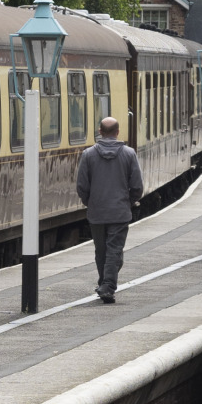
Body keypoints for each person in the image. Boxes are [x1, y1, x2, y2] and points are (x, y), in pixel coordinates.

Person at [76, 115, 143, 302]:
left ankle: (105, 284)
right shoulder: (129, 154)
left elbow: (82, 185)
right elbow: (137, 186)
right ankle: (107, 286)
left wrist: (91, 202)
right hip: (120, 211)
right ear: (118, 132)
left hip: (97, 212)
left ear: (100, 132)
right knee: (114, 250)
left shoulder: (88, 155)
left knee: (101, 250)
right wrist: (127, 202)